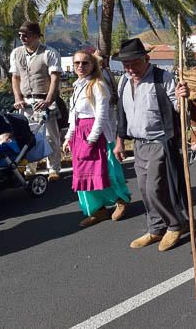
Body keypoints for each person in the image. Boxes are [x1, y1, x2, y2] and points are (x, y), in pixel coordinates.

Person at [112, 38, 189, 252]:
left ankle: (176, 224)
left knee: (155, 188)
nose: (129, 68)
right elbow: (122, 114)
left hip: (160, 142)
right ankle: (155, 229)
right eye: (125, 64)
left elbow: (179, 109)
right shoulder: (124, 82)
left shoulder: (162, 77)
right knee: (144, 190)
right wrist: (120, 142)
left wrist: (183, 97)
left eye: (134, 63)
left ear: (146, 59)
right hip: (138, 144)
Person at [62, 50, 131, 227]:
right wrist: (69, 137)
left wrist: (91, 140)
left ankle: (120, 200)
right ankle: (97, 210)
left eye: (85, 63)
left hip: (96, 134)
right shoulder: (78, 86)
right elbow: (73, 116)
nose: (80, 66)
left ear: (93, 65)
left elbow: (101, 116)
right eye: (77, 63)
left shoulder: (99, 85)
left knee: (105, 171)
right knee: (82, 175)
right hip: (79, 134)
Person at [9, 21, 62, 181]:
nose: (22, 37)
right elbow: (15, 77)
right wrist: (17, 98)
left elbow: (55, 78)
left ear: (37, 36)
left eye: (26, 34)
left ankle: (54, 168)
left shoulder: (49, 53)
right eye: (20, 34)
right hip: (25, 102)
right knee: (28, 136)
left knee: (51, 136)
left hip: (44, 100)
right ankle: (30, 168)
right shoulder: (16, 53)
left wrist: (48, 100)